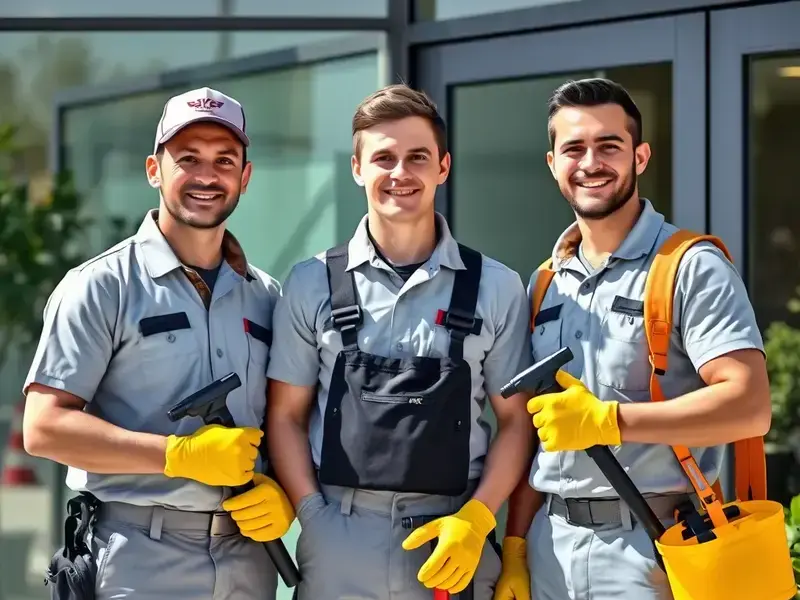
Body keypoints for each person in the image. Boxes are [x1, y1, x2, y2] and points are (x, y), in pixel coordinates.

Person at [493, 78, 772, 600]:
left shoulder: (690, 267)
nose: (591, 162)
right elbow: (538, 432)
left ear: (640, 156)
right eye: (573, 148)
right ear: (552, 164)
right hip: (550, 545)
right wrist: (516, 548)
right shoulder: (545, 282)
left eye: (609, 146)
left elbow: (749, 405)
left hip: (656, 547)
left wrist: (610, 421)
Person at [22, 87, 295, 600]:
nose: (207, 176)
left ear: (245, 176)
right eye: (187, 159)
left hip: (249, 560)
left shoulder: (268, 297)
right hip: (137, 558)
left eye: (224, 160)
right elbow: (44, 428)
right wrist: (177, 455)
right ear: (154, 170)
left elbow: (287, 421)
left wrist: (286, 494)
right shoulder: (100, 286)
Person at [265, 83, 535, 599]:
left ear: (444, 166)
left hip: (449, 539)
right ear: (357, 168)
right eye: (383, 158)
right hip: (338, 541)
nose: (400, 174)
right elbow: (284, 416)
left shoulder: (496, 286)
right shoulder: (310, 281)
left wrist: (478, 520)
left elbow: (516, 421)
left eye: (417, 157)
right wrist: (310, 514)